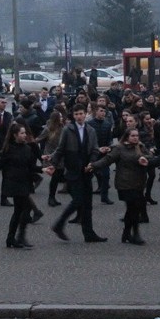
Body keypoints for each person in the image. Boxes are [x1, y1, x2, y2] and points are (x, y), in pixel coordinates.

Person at [47, 104, 108, 243]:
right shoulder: (68, 130)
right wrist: (53, 165)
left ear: (85, 114)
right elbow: (60, 149)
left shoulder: (90, 130)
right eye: (76, 114)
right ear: (73, 116)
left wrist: (91, 163)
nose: (79, 117)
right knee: (78, 200)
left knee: (88, 204)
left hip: (86, 170)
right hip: (73, 170)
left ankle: (89, 233)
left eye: (81, 114)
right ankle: (59, 224)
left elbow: (94, 149)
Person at [0, 123, 43, 248]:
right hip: (14, 183)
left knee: (19, 211)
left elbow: (31, 167)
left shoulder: (27, 148)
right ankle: (18, 237)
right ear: (15, 135)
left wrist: (43, 170)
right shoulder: (9, 149)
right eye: (22, 133)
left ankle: (12, 238)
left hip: (24, 182)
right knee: (24, 209)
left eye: (25, 133)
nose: (25, 135)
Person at [88, 127, 151, 245]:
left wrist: (144, 158)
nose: (135, 138)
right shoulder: (120, 148)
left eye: (137, 136)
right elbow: (108, 159)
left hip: (139, 182)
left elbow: (150, 157)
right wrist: (94, 165)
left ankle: (126, 233)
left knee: (133, 208)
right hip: (125, 183)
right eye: (133, 136)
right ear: (127, 137)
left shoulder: (140, 147)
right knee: (134, 207)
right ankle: (135, 233)